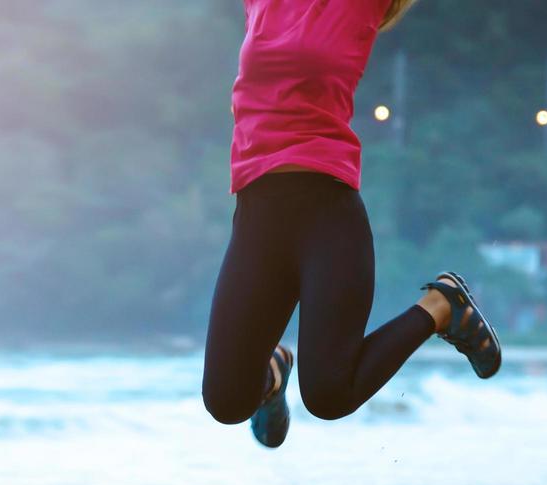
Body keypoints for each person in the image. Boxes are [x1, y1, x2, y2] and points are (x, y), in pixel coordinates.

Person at [202, 0, 501, 449]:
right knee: (225, 401)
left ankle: (442, 307)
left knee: (328, 394)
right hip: (257, 217)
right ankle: (273, 373)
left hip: (327, 217)